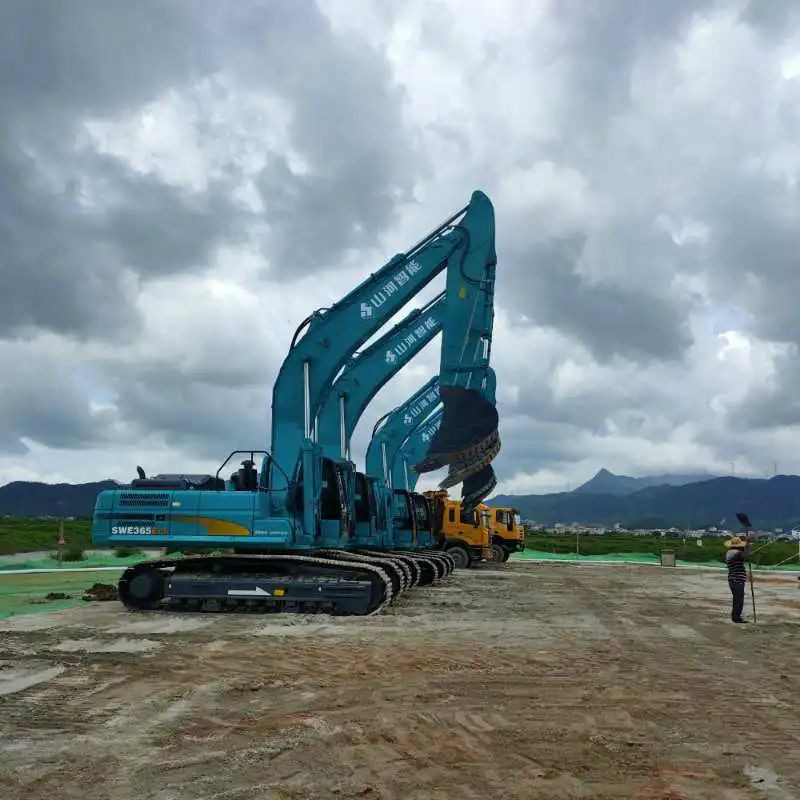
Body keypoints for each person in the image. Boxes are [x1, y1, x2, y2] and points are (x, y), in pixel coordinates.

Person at [724, 536, 750, 623]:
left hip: (733, 578)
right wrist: (747, 547)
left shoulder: (729, 552)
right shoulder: (736, 553)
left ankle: (735, 616)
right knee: (739, 599)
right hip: (737, 579)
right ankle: (736, 618)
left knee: (736, 598)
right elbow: (745, 556)